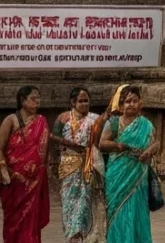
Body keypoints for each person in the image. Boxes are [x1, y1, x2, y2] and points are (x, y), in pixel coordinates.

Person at [94, 85, 158, 243]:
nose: (131, 104)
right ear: (121, 105)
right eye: (128, 101)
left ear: (140, 104)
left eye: (134, 101)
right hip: (118, 174)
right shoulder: (114, 123)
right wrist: (118, 146)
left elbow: (156, 143)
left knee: (137, 211)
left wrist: (148, 152)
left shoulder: (146, 125)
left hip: (138, 175)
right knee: (118, 211)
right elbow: (102, 144)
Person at [0, 85, 53, 243]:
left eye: (39, 99)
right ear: (22, 100)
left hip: (35, 181)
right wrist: (2, 167)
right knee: (14, 219)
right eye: (34, 99)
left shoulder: (41, 121)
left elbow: (44, 150)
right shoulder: (11, 120)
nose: (38, 102)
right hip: (14, 180)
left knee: (31, 221)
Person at [54, 86, 103, 242]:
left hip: (88, 165)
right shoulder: (63, 118)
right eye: (81, 101)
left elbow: (100, 142)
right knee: (68, 202)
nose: (84, 104)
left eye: (86, 101)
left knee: (84, 202)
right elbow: (53, 139)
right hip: (67, 164)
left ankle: (81, 236)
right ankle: (71, 235)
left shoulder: (96, 119)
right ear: (72, 102)